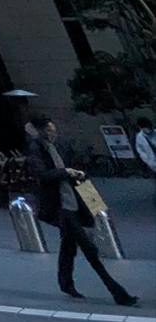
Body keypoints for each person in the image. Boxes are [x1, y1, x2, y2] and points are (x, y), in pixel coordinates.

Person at [24, 116, 138, 306]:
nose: (53, 133)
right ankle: (119, 293)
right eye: (50, 130)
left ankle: (66, 283)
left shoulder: (57, 147)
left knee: (68, 245)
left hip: (71, 201)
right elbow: (42, 174)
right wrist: (66, 172)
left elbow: (71, 168)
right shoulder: (37, 148)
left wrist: (77, 174)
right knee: (89, 249)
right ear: (42, 131)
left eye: (54, 130)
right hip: (60, 205)